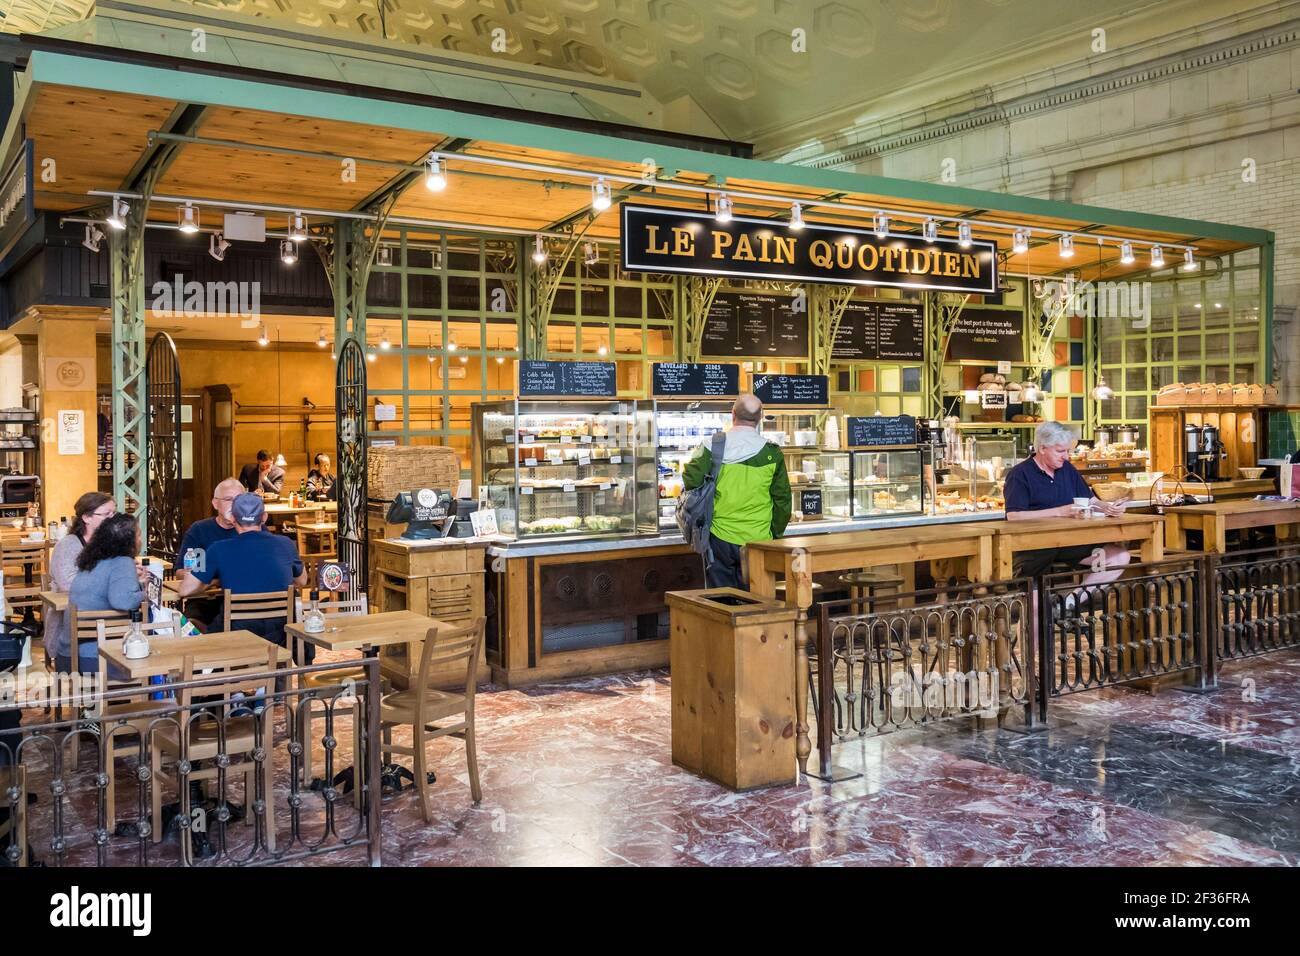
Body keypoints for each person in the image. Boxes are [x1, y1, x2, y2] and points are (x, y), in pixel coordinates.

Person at [682, 393, 792, 589]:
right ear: (760, 418)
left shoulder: (711, 446)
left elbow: (691, 479)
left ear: (732, 414)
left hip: (719, 537)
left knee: (721, 603)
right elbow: (782, 501)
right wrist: (774, 535)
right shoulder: (772, 454)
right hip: (759, 539)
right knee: (757, 600)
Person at [177, 493, 308, 658]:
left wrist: (212, 580)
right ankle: (275, 680)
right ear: (264, 517)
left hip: (236, 637)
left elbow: (184, 590)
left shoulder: (218, 549)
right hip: (279, 637)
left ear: (233, 518)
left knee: (194, 629)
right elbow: (302, 580)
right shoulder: (286, 544)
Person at [1004, 420, 1131, 584]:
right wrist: (1060, 511)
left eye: (1067, 451)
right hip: (1034, 548)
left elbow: (1090, 499)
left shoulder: (1067, 469)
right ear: (1042, 448)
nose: (1066, 456)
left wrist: (1107, 507)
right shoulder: (1020, 474)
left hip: (1072, 543)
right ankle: (1047, 605)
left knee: (1119, 556)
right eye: (1060, 451)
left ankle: (1071, 602)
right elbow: (1013, 516)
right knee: (1036, 606)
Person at [56, 513, 151, 675]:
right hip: (96, 658)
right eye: (139, 535)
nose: (141, 539)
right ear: (128, 540)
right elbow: (123, 601)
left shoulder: (93, 559)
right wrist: (145, 593)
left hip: (68, 655)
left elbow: (107, 589)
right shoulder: (123, 561)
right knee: (153, 654)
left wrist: (137, 584)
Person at [44, 491, 117, 663]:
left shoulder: (112, 544)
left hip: (108, 624)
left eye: (114, 513)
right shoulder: (68, 545)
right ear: (87, 517)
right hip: (71, 628)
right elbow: (68, 584)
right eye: (107, 514)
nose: (113, 519)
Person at [175, 478, 244, 630]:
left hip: (242, 600)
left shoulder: (252, 528)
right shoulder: (200, 531)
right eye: (228, 499)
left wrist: (215, 579)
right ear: (215, 503)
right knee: (189, 625)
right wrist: (213, 581)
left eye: (239, 499)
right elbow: (182, 573)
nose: (234, 505)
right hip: (205, 600)